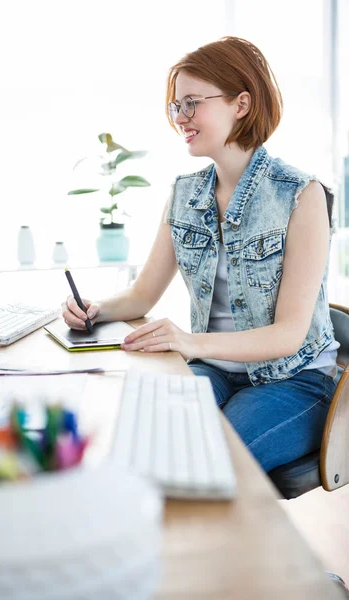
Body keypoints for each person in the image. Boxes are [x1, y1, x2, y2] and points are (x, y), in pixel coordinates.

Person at [62, 36, 339, 474]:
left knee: (207, 460)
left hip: (294, 381)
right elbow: (141, 295)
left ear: (241, 104)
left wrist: (189, 342)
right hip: (214, 371)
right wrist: (95, 308)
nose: (180, 119)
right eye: (176, 107)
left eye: (191, 103)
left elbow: (288, 335)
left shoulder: (302, 196)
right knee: (141, 439)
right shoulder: (184, 193)